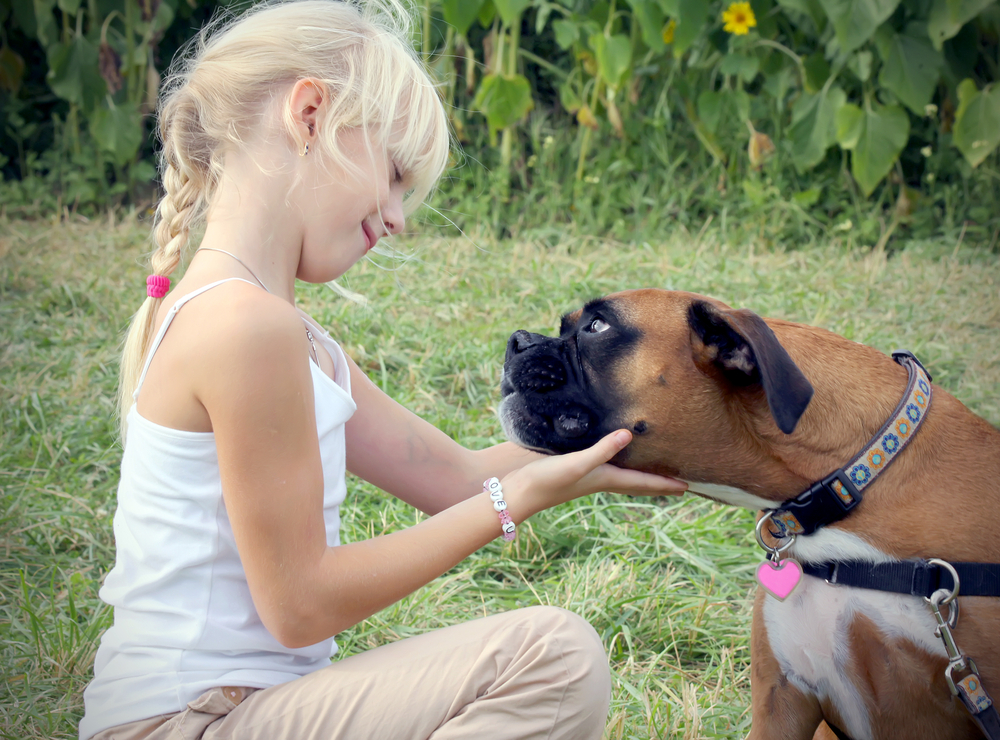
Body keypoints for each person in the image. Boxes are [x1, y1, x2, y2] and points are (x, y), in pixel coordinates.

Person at [79, 1, 687, 738]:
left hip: (247, 713)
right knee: (550, 657)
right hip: (186, 723)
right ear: (309, 115)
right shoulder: (245, 327)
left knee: (552, 660)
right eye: (394, 174)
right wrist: (513, 503)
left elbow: (454, 475)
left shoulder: (291, 336)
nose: (398, 216)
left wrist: (633, 445)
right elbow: (299, 604)